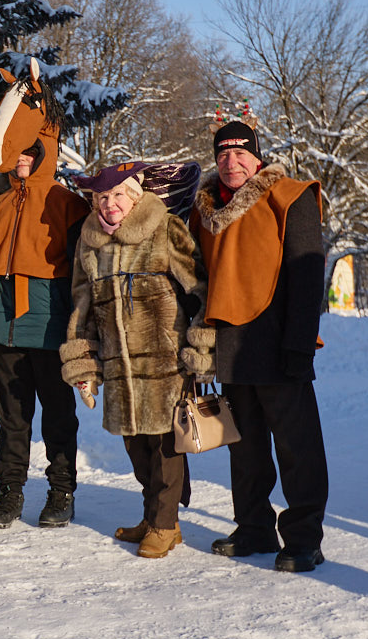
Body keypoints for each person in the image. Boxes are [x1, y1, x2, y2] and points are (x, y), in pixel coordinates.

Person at [189, 118, 328, 573]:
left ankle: (304, 538)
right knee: (244, 449)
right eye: (222, 154)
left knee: (297, 447)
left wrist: (299, 344)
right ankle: (253, 528)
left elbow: (307, 278)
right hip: (230, 345)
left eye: (240, 152)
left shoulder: (289, 196)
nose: (231, 161)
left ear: (257, 155)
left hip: (278, 343)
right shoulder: (205, 210)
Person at [0, 62, 90, 529]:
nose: (19, 159)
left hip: (52, 331)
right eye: (14, 153)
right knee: (11, 420)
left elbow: (82, 278)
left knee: (58, 418)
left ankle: (61, 491)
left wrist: (83, 337)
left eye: (28, 152)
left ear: (44, 149)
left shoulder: (68, 205)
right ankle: (10, 493)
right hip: (4, 330)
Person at [60, 161, 206, 559]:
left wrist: (202, 341)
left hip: (165, 363)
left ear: (136, 196)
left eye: (118, 195)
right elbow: (82, 305)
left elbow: (198, 287)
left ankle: (163, 524)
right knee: (135, 447)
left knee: (164, 447)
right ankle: (156, 517)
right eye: (102, 197)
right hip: (117, 366)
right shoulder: (90, 243)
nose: (110, 204)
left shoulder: (164, 229)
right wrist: (84, 361)